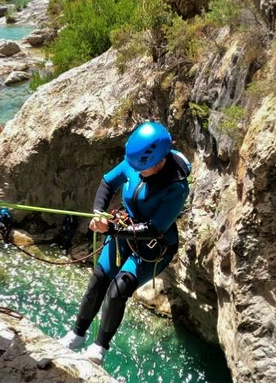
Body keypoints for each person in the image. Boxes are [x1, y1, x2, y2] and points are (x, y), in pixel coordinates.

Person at [59, 121, 191, 365]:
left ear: (161, 161)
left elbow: (154, 229)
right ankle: (76, 334)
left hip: (152, 247)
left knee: (118, 290)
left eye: (145, 169)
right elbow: (108, 182)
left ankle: (99, 349)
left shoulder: (176, 186)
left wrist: (111, 228)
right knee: (98, 280)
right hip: (123, 234)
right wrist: (98, 211)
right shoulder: (136, 162)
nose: (138, 172)